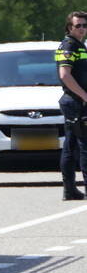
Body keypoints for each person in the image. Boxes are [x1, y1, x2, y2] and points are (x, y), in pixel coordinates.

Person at [56, 11, 87, 200]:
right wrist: (84, 95)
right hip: (76, 102)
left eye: (85, 25)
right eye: (78, 26)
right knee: (85, 145)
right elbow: (64, 75)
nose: (82, 29)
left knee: (71, 144)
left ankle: (70, 190)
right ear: (69, 27)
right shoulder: (69, 45)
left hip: (76, 101)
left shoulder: (79, 45)